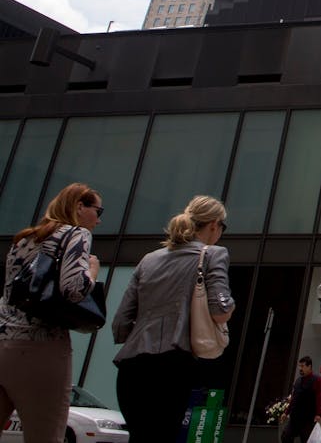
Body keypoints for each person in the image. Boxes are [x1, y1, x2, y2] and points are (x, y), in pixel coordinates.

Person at [112, 195, 235, 443]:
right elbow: (220, 310)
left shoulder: (149, 259)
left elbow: (120, 324)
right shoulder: (213, 254)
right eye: (223, 227)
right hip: (173, 365)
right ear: (213, 224)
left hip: (131, 368)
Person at [0, 183, 102, 442]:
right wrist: (92, 271)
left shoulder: (23, 239)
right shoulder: (76, 234)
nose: (99, 221)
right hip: (41, 347)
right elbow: (74, 289)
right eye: (98, 211)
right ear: (80, 207)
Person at [282, 355, 321, 443]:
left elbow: (319, 398)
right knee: (286, 436)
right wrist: (286, 412)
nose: (300, 368)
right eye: (299, 366)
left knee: (306, 439)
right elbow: (294, 399)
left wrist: (318, 414)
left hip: (307, 418)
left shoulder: (317, 380)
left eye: (302, 366)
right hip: (294, 417)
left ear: (309, 366)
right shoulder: (298, 381)